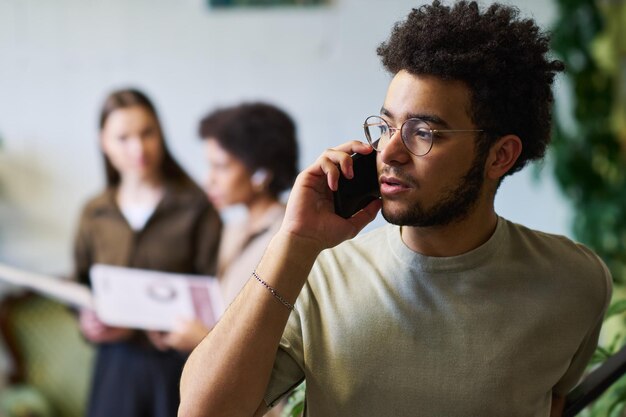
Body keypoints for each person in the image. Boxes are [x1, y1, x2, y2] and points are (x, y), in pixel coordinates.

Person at [178, 2, 613, 417]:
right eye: (386, 126)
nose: (389, 151)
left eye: (423, 132)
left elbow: (551, 401)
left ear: (500, 156)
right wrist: (295, 241)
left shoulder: (575, 281)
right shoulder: (322, 272)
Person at [73, 88, 222, 417]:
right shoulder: (95, 212)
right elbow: (81, 282)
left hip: (178, 368)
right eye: (123, 138)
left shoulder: (197, 207)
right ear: (104, 142)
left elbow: (218, 291)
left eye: (147, 133)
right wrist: (86, 319)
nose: (138, 148)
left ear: (161, 133)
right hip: (115, 368)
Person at [162, 102, 299, 354]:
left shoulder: (287, 237)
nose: (208, 179)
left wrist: (202, 339)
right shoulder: (233, 229)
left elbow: (276, 341)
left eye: (221, 167)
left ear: (261, 173)